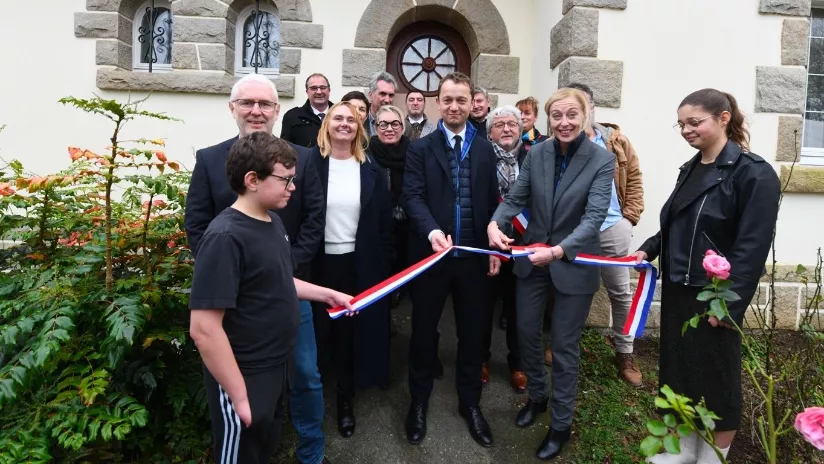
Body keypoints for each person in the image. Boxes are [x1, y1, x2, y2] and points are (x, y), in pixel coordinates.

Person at [184, 74, 331, 464]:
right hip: (233, 303)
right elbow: (198, 227)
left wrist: (283, 272)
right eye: (247, 103)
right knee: (242, 422)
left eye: (264, 104)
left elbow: (314, 219)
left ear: (276, 110)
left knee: (301, 376)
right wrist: (230, 276)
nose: (256, 110)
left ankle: (306, 448)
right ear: (232, 108)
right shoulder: (211, 166)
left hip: (285, 287)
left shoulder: (295, 168)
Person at [634, 89, 780, 464]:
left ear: (724, 118)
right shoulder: (692, 167)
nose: (686, 130)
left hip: (716, 295)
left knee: (718, 381)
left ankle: (715, 457)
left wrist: (728, 303)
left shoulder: (754, 173)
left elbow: (752, 248)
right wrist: (648, 248)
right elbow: (675, 223)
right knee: (680, 373)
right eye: (681, 123)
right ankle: (684, 449)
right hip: (681, 289)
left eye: (694, 122)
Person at [488, 87, 615, 461]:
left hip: (573, 263)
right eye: (556, 116)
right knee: (525, 333)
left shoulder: (601, 160)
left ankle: (560, 424)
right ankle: (538, 398)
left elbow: (594, 219)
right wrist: (496, 223)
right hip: (533, 261)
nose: (564, 122)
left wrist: (559, 251)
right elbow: (516, 198)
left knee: (563, 346)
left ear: (585, 116)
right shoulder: (537, 152)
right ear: (548, 119)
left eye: (571, 115)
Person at [402, 72, 501, 449]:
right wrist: (430, 231)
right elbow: (412, 197)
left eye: (462, 99)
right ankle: (419, 402)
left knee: (474, 335)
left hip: (473, 259)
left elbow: (493, 203)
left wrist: (493, 250)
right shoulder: (420, 149)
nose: (455, 106)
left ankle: (470, 403)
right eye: (448, 100)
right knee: (424, 333)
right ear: (437, 103)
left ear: (472, 102)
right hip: (431, 258)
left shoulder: (484, 148)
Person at [310, 101, 394, 439]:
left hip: (358, 265)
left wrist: (386, 267)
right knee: (315, 336)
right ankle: (310, 402)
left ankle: (345, 400)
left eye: (351, 120)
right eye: (338, 118)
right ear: (327, 125)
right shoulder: (308, 164)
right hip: (317, 265)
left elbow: (384, 224)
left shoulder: (370, 169)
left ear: (359, 128)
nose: (344, 124)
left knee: (348, 337)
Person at [563, 81, 646, 387]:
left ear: (593, 107)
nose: (576, 114)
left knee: (620, 293)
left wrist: (629, 218)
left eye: (582, 105)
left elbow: (634, 178)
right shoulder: (561, 142)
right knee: (570, 290)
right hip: (575, 231)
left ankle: (624, 352)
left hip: (613, 228)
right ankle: (563, 343)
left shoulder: (616, 141)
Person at [484, 105, 528, 392]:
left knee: (519, 308)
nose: (507, 129)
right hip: (488, 245)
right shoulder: (481, 158)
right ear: (490, 133)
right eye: (499, 125)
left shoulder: (536, 158)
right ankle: (481, 360)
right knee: (483, 307)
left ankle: (519, 364)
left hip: (524, 245)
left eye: (512, 124)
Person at [368, 105, 412, 307]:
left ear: (403, 127)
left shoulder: (414, 152)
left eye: (395, 123)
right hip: (377, 225)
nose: (389, 128)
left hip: (409, 225)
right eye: (383, 124)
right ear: (376, 127)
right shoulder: (366, 153)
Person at [280, 73, 333, 148]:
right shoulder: (292, 117)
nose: (319, 92)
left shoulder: (341, 114)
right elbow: (285, 149)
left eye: (323, 87)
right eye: (313, 88)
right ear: (307, 92)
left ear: (329, 90)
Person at [366, 71, 398, 136]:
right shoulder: (359, 122)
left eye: (391, 95)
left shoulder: (405, 127)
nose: (387, 100)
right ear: (370, 95)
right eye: (382, 94)